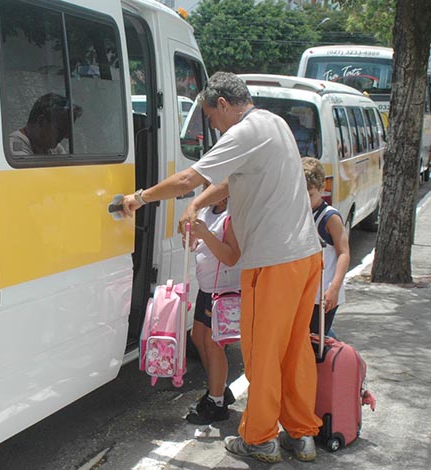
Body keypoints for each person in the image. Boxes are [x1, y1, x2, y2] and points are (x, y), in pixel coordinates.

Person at [121, 71, 322, 463]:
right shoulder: (274, 124)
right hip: (306, 257)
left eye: (211, 117)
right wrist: (196, 205)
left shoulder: (243, 133)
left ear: (225, 105)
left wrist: (139, 197)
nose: (212, 125)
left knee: (262, 353)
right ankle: (302, 434)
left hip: (274, 262)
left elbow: (185, 178)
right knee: (295, 350)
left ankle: (260, 438)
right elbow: (230, 183)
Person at [185, 188, 241, 426]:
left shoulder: (233, 216)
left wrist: (205, 234)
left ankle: (216, 402)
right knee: (198, 337)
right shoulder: (209, 211)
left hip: (223, 290)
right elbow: (202, 244)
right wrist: (194, 239)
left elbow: (231, 257)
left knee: (214, 344)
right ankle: (219, 388)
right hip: (207, 287)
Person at [301, 157, 350, 337]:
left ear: (322, 189)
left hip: (322, 293)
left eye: (311, 194)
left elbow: (344, 253)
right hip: (303, 292)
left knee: (317, 340)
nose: (305, 199)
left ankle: (342, 360)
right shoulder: (300, 215)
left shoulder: (329, 217)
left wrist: (334, 288)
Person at [9, 93, 82, 156]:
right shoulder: (15, 147)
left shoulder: (52, 147)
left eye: (67, 131)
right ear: (41, 121)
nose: (66, 136)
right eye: (61, 129)